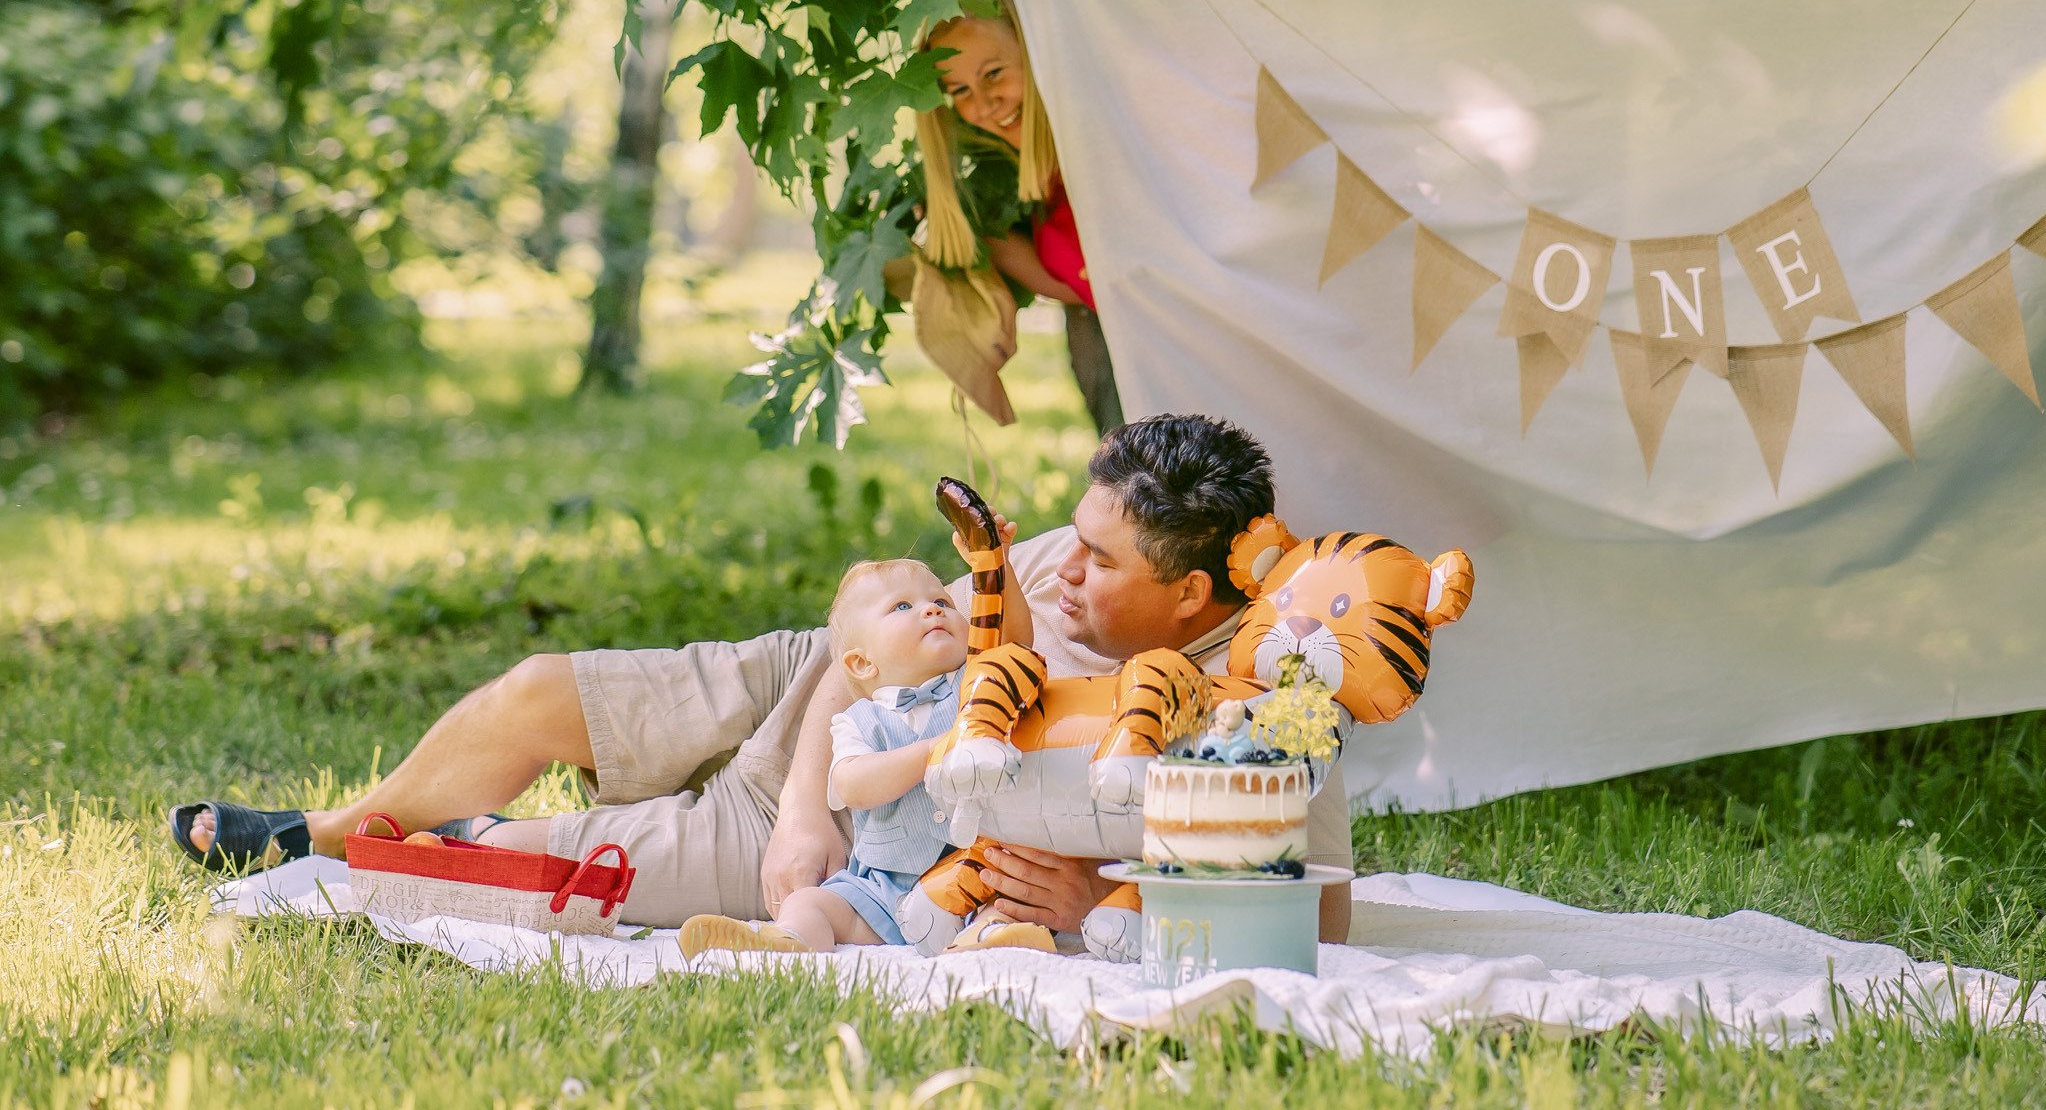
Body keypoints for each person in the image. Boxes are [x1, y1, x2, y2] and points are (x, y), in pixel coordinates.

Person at [168, 416, 1352, 943]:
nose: (1066, 567)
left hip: (890, 816)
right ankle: (324, 820)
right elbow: (893, 656)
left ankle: (369, 849)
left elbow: (1328, 914)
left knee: (554, 862)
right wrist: (799, 805)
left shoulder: (1270, 688)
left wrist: (1097, 904)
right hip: (834, 694)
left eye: (1102, 561)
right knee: (538, 687)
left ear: (1194, 599)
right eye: (1074, 540)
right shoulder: (1049, 562)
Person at [675, 558, 1023, 957]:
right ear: (862, 663)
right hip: (884, 890)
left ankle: (991, 940)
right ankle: (791, 940)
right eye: (902, 607)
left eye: (942, 600)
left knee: (1005, 902)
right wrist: (932, 750)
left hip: (976, 875)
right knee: (810, 902)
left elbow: (1015, 642)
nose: (933, 608)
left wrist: (997, 561)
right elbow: (853, 785)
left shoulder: (978, 682)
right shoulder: (857, 721)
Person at [916, 0, 1123, 435]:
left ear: (1035, 51)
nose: (985, 104)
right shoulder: (1022, 169)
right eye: (960, 92)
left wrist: (1015, 257)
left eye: (994, 74)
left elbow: (1117, 290)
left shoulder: (1096, 155)